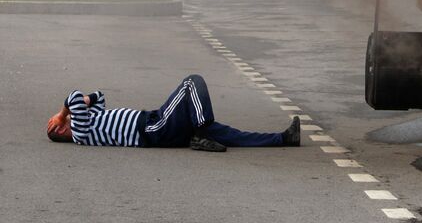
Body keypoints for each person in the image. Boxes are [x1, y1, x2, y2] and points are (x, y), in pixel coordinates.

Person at [47, 74, 300, 152]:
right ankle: (200, 133)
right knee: (192, 83)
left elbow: (98, 96)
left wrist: (81, 103)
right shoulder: (80, 131)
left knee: (228, 134)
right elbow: (74, 97)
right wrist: (61, 113)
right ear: (60, 129)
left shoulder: (89, 123)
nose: (64, 118)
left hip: (156, 128)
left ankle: (283, 139)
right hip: (151, 128)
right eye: (58, 123)